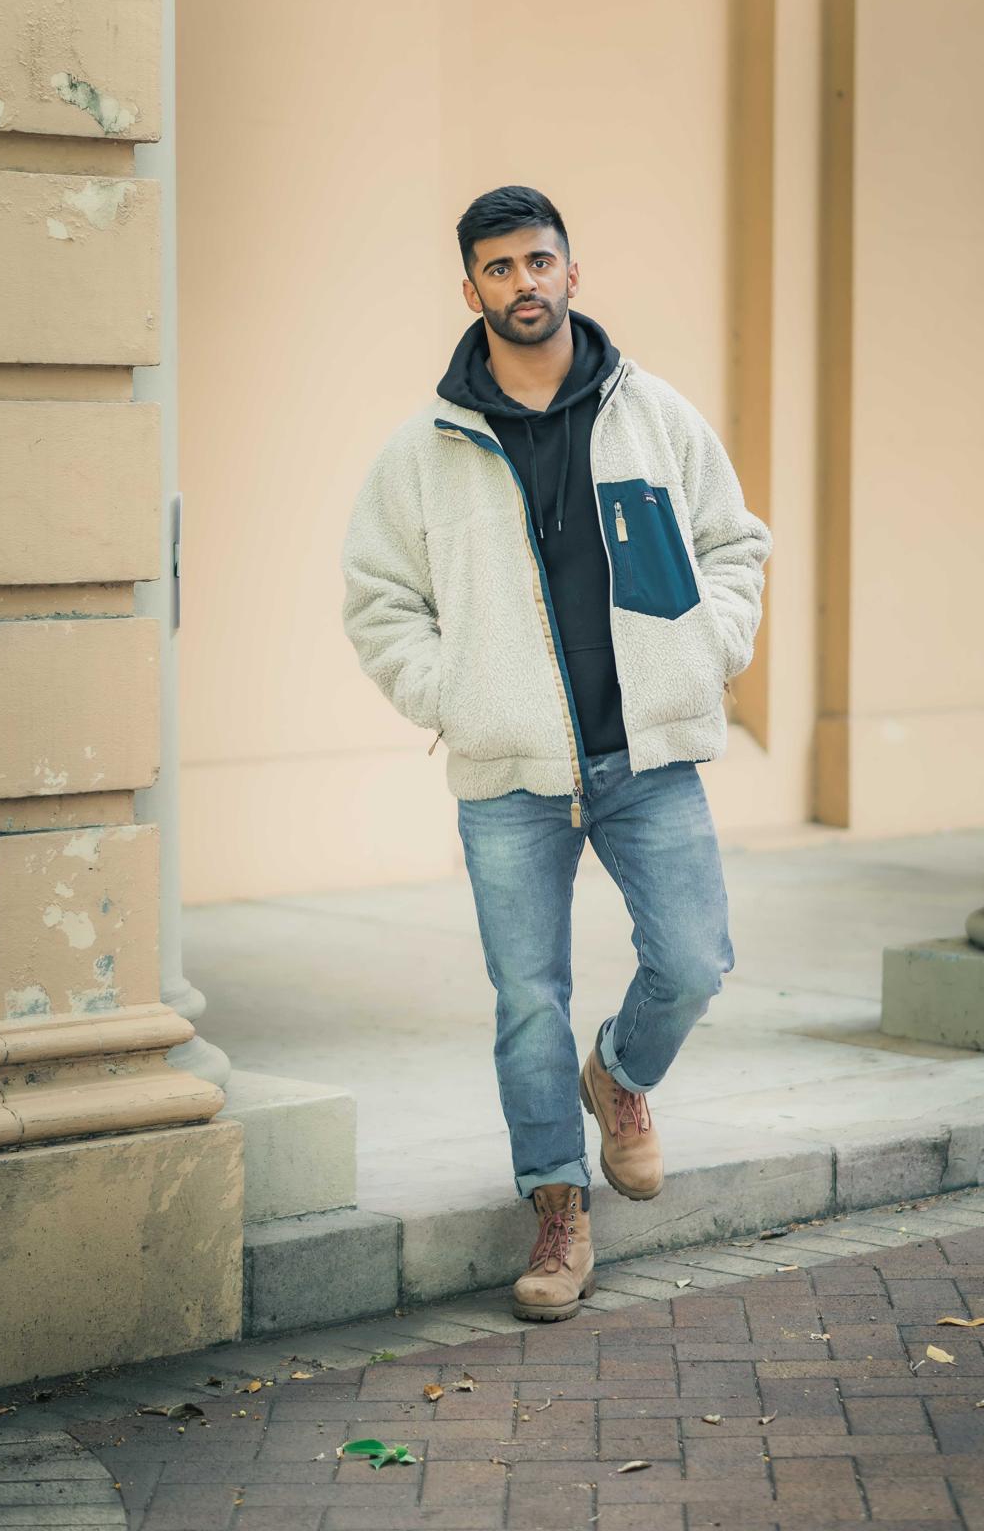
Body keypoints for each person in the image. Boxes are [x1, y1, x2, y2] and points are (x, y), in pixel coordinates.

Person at [341, 185, 772, 1322]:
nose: (522, 283)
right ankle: (558, 1208)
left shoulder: (654, 415)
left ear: (573, 273)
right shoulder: (426, 447)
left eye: (540, 261)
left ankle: (621, 1078)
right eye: (498, 267)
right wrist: (456, 696)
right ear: (471, 288)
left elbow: (734, 543)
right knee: (527, 996)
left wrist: (708, 648)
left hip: (646, 753)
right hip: (510, 774)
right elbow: (380, 600)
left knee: (694, 960)